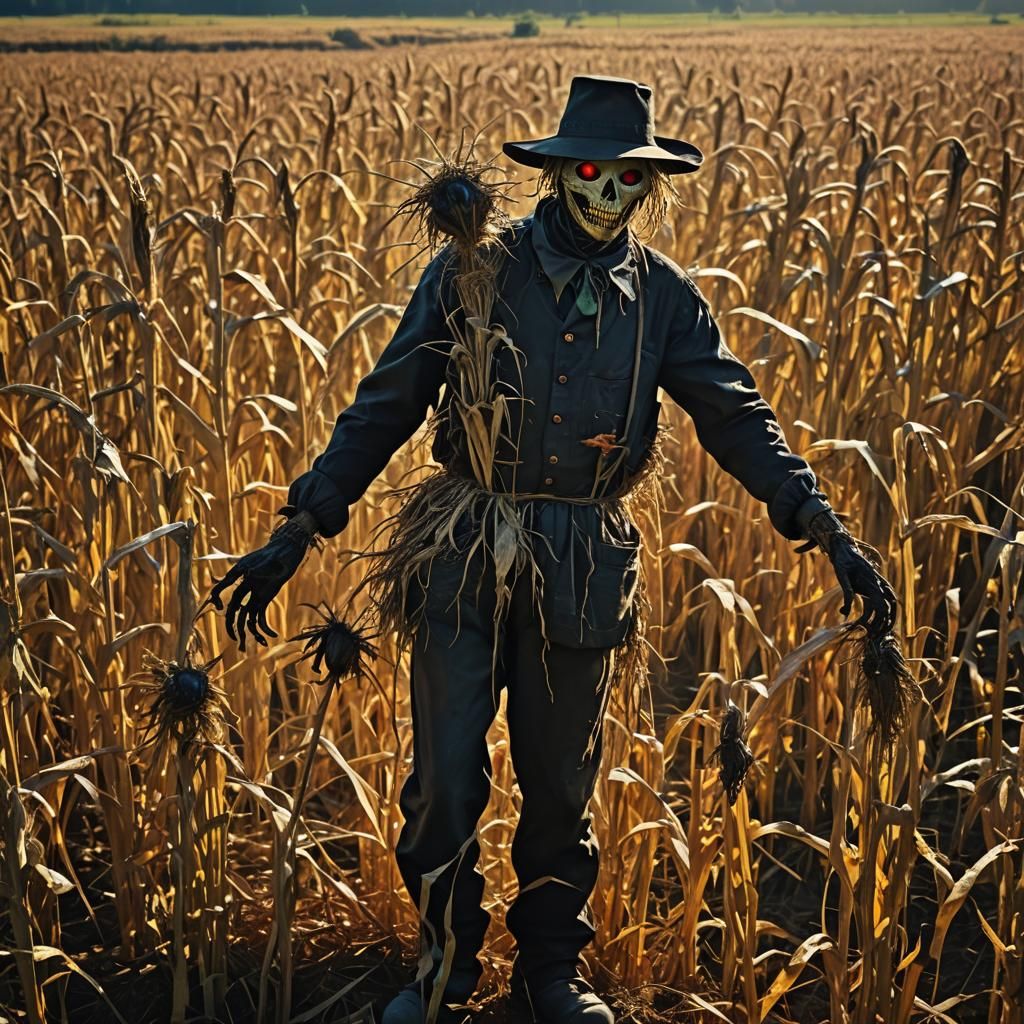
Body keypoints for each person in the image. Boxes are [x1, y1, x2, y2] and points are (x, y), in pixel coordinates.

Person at [210, 75, 897, 1024]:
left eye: (627, 180)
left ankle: (549, 977)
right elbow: (389, 401)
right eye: (589, 173)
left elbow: (738, 418)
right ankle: (444, 969)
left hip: (583, 565)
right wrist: (303, 523)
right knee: (446, 781)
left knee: (560, 787)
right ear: (557, 172)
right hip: (462, 544)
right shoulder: (472, 271)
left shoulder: (662, 301)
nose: (607, 196)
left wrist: (826, 530)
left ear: (646, 188)